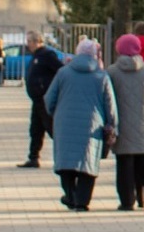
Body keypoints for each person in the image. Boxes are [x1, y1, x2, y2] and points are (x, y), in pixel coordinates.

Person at [42, 38, 117, 211]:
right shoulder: (101, 76)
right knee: (87, 163)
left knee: (66, 162)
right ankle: (82, 201)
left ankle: (70, 195)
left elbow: (49, 99)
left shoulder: (63, 73)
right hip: (92, 126)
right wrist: (112, 123)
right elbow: (110, 104)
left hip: (64, 124)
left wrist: (57, 114)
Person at [108, 34, 144, 210]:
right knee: (143, 163)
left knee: (124, 165)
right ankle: (143, 198)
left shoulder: (112, 72)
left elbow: (108, 100)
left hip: (122, 126)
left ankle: (126, 201)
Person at [19, 32, 63, 169]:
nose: (28, 44)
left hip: (45, 100)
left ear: (37, 41)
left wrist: (46, 87)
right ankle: (33, 158)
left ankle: (63, 157)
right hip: (37, 101)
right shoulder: (35, 56)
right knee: (35, 130)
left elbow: (60, 70)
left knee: (52, 129)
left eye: (30, 41)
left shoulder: (47, 55)